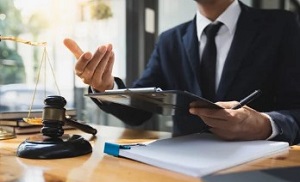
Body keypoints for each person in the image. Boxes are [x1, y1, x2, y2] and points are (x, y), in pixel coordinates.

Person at [64, 0, 300, 145]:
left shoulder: (282, 25)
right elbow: (138, 111)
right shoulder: (169, 40)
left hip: (257, 167)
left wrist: (265, 124)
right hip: (182, 169)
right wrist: (107, 89)